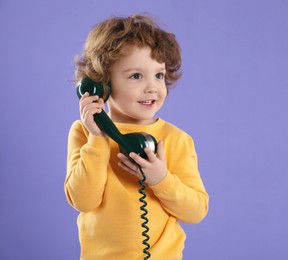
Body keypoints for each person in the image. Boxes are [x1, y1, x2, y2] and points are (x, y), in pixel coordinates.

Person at [65, 14, 209, 260]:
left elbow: (196, 211)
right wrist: (98, 138)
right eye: (136, 76)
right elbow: (83, 201)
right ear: (102, 83)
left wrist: (160, 179)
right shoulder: (84, 132)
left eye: (159, 75)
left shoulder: (176, 139)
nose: (152, 87)